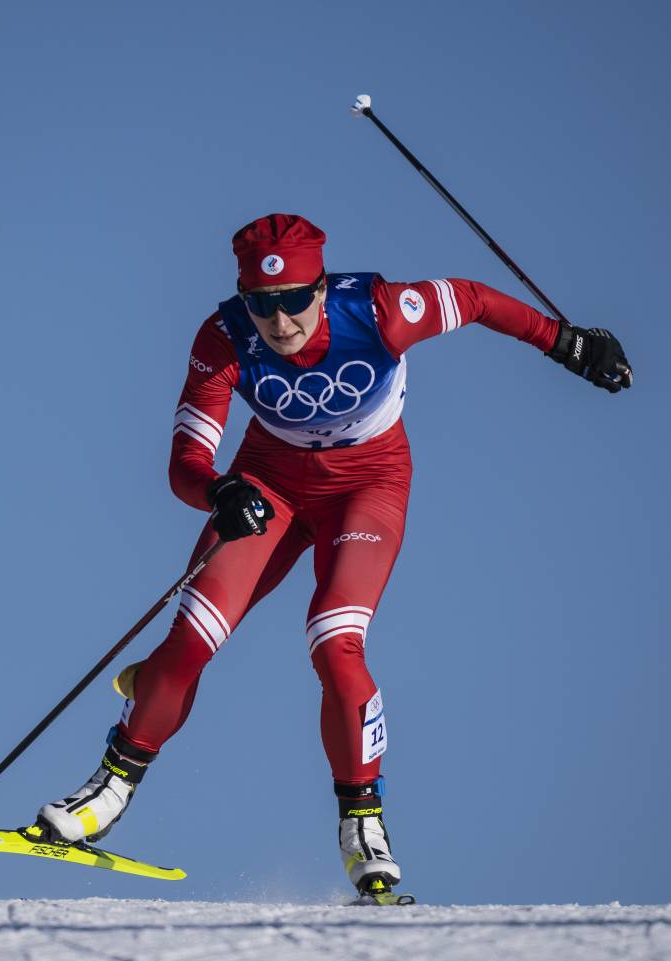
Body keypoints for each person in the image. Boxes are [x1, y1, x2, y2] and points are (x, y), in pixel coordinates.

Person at [35, 213, 631, 898]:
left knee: (335, 644)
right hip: (271, 487)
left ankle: (363, 825)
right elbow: (185, 462)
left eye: (295, 299)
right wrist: (218, 491)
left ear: (322, 288)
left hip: (368, 488)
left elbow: (472, 299)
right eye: (263, 304)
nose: (280, 321)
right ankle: (108, 792)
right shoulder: (222, 338)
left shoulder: (378, 310)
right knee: (191, 638)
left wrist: (567, 343)